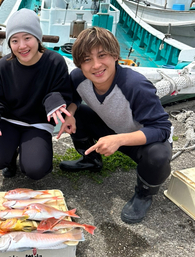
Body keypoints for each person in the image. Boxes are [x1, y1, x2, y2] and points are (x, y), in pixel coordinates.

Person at [57, 26, 172, 224]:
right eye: (87, 59)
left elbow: (162, 129)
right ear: (79, 65)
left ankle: (144, 194)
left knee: (158, 156)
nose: (96, 65)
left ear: (115, 55)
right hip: (113, 129)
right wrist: (71, 112)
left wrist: (119, 140)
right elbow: (74, 96)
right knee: (81, 114)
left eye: (102, 55)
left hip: (143, 139)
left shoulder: (135, 85)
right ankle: (91, 160)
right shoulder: (78, 78)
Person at [0, 8, 72, 180]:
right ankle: (10, 158)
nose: (22, 46)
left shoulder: (55, 62)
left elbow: (63, 91)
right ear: (9, 43)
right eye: (14, 40)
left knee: (35, 169)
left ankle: (30, 153)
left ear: (37, 37)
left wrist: (54, 101)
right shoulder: (3, 66)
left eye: (27, 38)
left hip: (38, 123)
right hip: (9, 121)